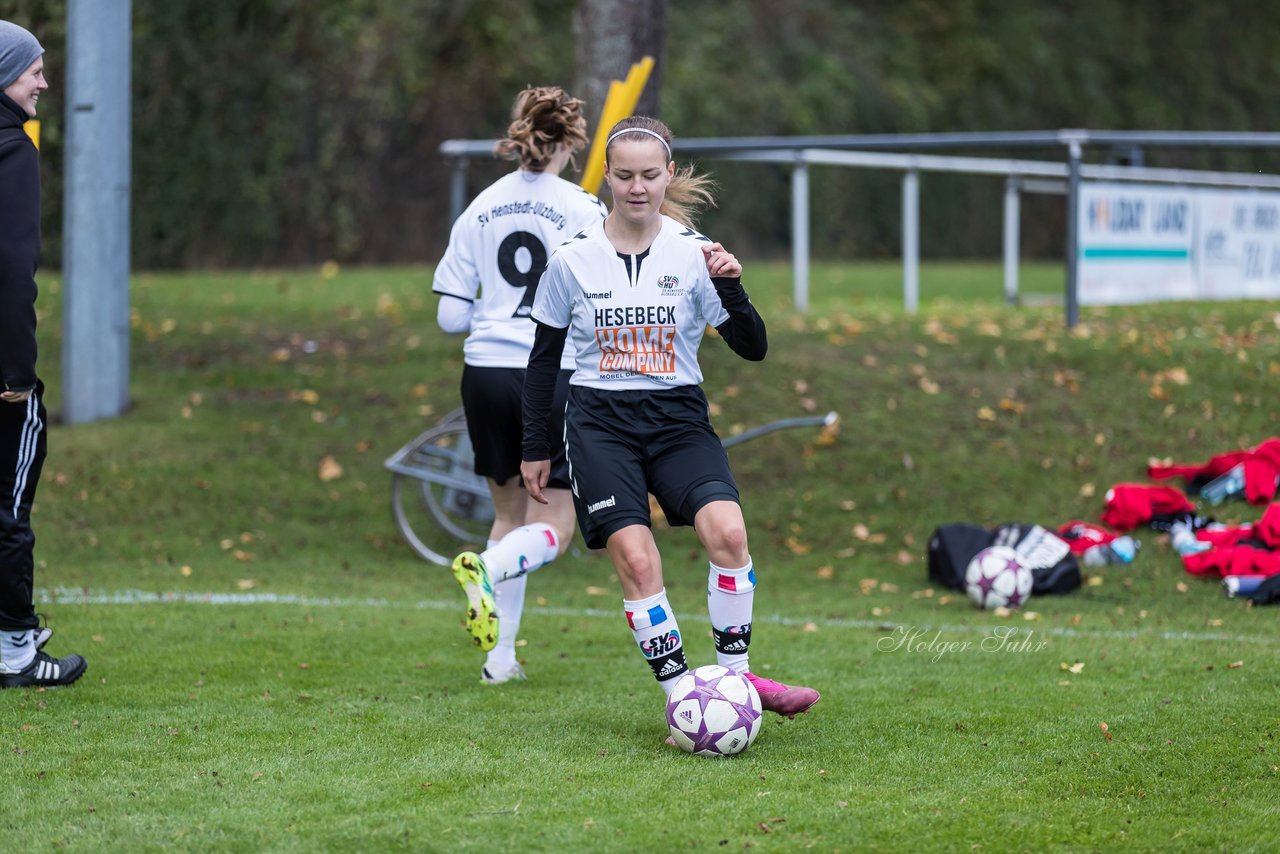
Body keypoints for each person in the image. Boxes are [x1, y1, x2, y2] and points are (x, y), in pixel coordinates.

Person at [519, 116, 820, 718]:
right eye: (625, 175)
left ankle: (738, 683)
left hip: (678, 418)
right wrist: (535, 445)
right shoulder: (571, 261)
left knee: (729, 534)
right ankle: (684, 696)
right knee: (636, 557)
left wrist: (731, 288)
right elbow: (542, 362)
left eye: (650, 176)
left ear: (669, 176)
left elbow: (753, 346)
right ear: (608, 177)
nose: (637, 187)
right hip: (600, 423)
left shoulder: (694, 254)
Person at [432, 85, 607, 684]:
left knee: (509, 515)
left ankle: (499, 662)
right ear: (570, 143)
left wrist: (494, 309)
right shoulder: (584, 210)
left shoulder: (478, 208)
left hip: (482, 374)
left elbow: (450, 316)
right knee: (555, 526)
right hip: (551, 376)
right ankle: (486, 570)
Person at [0, 20, 87, 688]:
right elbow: (12, 265)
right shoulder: (14, 149)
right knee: (9, 504)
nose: (44, 82)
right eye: (34, 70)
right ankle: (16, 650)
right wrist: (17, 374)